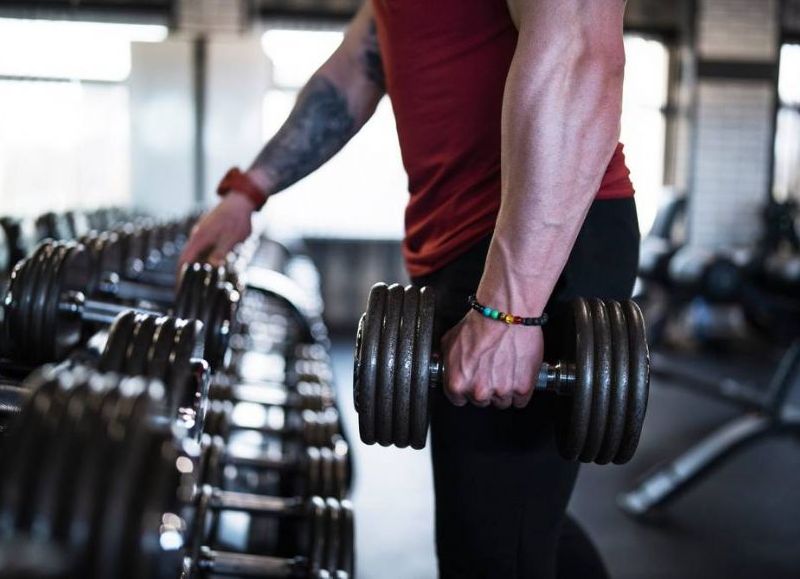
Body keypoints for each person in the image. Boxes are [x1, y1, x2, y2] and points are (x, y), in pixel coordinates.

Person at [181, 1, 639, 577]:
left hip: (540, 240)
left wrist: (510, 310)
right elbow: (358, 67)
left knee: (490, 545)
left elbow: (579, 54)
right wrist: (248, 191)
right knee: (516, 511)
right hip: (467, 250)